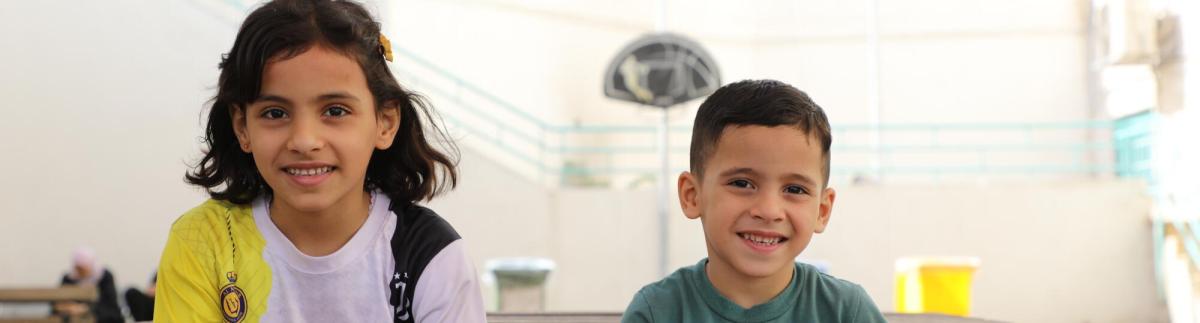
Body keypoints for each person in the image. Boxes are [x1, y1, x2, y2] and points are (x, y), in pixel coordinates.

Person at [154, 1, 484, 321]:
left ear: (385, 122)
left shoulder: (431, 255)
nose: (304, 141)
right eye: (275, 113)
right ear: (242, 127)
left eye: (335, 111)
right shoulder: (203, 242)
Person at [622, 80, 887, 322]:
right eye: (742, 183)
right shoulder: (656, 313)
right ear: (692, 195)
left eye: (794, 189)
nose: (769, 211)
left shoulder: (847, 313)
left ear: (822, 209)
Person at [55, 247, 122, 323]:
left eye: (83, 268)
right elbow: (59, 302)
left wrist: (85, 308)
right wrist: (69, 307)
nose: (81, 271)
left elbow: (109, 302)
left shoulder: (104, 276)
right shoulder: (69, 278)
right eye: (78, 268)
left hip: (101, 316)